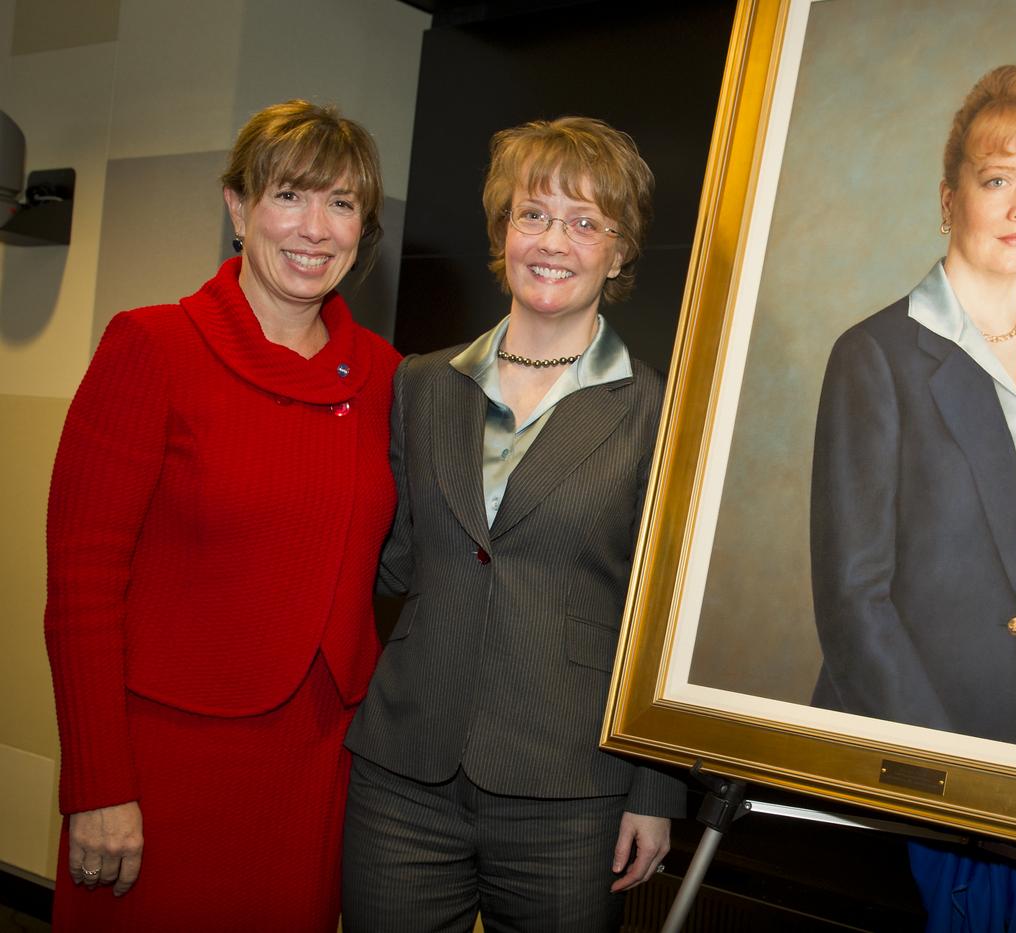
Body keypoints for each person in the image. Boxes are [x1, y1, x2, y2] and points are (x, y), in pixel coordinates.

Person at [44, 100, 400, 931]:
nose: (315, 229)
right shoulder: (153, 346)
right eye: (289, 196)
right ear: (238, 209)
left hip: (317, 762)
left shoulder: (389, 377)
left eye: (341, 204)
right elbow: (82, 584)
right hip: (167, 763)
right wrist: (97, 784)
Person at [342, 116, 685, 932]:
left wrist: (656, 788)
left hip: (570, 791)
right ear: (502, 230)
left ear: (620, 247)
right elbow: (389, 560)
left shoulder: (661, 412)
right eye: (533, 214)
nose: (553, 240)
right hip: (404, 774)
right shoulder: (420, 385)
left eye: (584, 221)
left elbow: (664, 615)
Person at [809, 64, 1016, 932]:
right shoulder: (874, 355)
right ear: (950, 198)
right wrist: (961, 785)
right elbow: (852, 604)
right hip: (903, 789)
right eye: (999, 180)